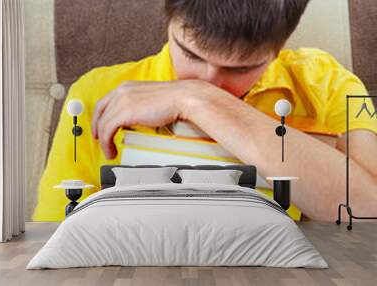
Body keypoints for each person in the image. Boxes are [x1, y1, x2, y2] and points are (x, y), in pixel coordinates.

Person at [33, 0, 377, 222]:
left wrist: (194, 99)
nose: (211, 81)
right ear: (169, 21)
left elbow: (369, 212)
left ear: (280, 47)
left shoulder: (326, 82)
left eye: (241, 69)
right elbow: (53, 234)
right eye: (191, 55)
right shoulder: (95, 93)